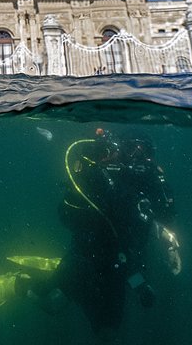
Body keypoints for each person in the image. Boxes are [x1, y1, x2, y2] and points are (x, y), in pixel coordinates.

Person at [29, 128, 182, 333]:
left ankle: (119, 286)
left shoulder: (152, 180)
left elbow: (162, 216)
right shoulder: (102, 173)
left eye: (144, 151)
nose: (137, 156)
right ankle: (22, 285)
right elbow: (67, 215)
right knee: (50, 301)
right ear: (119, 151)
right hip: (86, 253)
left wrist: (168, 245)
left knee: (107, 329)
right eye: (131, 149)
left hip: (123, 261)